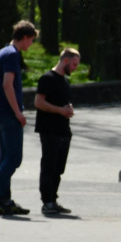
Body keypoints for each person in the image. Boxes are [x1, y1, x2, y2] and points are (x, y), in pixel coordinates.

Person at [0, 20, 38, 216]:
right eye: (31, 40)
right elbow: (8, 85)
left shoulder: (2, 52)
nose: (30, 45)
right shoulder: (13, 55)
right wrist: (18, 113)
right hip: (8, 113)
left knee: (5, 158)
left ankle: (3, 199)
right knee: (14, 158)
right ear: (24, 37)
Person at [34, 48, 81, 214]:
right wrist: (60, 111)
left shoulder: (65, 81)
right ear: (66, 60)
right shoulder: (47, 78)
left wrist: (68, 109)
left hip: (63, 129)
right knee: (49, 165)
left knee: (59, 167)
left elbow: (62, 102)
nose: (75, 67)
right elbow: (39, 102)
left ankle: (53, 199)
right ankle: (47, 201)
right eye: (74, 64)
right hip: (49, 128)